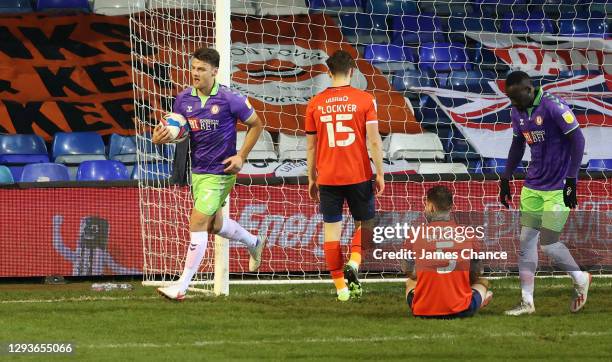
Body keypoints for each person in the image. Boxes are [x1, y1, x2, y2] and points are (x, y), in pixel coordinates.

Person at [153, 47, 267, 301]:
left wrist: (241, 157)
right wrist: (159, 137)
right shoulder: (183, 99)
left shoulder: (230, 98)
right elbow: (178, 129)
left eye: (201, 69)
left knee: (197, 222)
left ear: (214, 71)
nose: (195, 73)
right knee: (214, 225)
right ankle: (254, 242)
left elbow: (256, 124)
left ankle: (181, 286)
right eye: (193, 68)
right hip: (198, 171)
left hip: (221, 172)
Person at [500, 70, 591, 315]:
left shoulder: (553, 107)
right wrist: (506, 177)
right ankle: (527, 301)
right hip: (532, 187)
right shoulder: (517, 112)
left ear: (529, 89)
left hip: (558, 187)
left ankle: (580, 278)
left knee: (549, 244)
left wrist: (572, 180)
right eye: (510, 98)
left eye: (516, 96)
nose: (513, 102)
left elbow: (578, 140)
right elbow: (518, 143)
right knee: (526, 242)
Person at [305, 50, 385, 301]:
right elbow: (374, 141)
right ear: (352, 71)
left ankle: (341, 289)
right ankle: (354, 262)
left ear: (328, 73)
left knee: (332, 233)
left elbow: (311, 146)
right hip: (358, 173)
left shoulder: (315, 103)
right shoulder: (365, 100)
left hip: (328, 176)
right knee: (367, 224)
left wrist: (311, 178)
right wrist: (380, 173)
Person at [405, 186, 492, 319]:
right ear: (451, 207)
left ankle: (428, 300)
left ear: (431, 207)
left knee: (409, 283)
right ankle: (477, 300)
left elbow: (408, 270)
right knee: (483, 282)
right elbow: (477, 271)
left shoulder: (415, 233)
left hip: (423, 311)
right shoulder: (467, 233)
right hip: (461, 310)